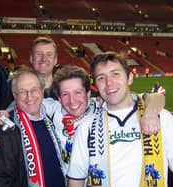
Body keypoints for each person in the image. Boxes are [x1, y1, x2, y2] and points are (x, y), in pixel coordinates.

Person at [0, 65, 164, 176]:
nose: (72, 101)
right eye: (65, 94)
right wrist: (1, 117)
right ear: (58, 97)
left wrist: (150, 112)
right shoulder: (53, 108)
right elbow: (27, 100)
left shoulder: (101, 107)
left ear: (89, 94)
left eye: (78, 93)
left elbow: (150, 97)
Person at [67, 52, 173, 187]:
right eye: (101, 78)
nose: (109, 83)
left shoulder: (161, 118)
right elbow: (76, 180)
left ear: (129, 78)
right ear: (96, 86)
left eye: (115, 74)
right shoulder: (86, 127)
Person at [0, 67, 65, 187]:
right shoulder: (5, 131)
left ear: (42, 91)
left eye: (34, 90)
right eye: (23, 92)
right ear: (14, 95)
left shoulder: (52, 118)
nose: (29, 97)